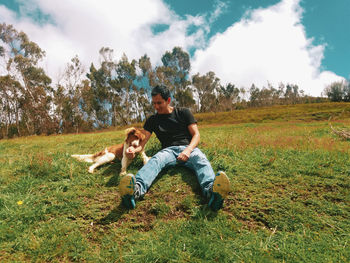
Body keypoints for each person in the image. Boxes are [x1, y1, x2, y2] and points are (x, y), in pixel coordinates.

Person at [118, 84, 230, 211]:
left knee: (201, 160)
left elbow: (196, 135)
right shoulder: (152, 120)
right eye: (154, 103)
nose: (156, 106)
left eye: (159, 103)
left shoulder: (183, 112)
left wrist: (188, 150)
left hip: (189, 148)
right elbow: (142, 144)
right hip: (168, 151)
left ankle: (212, 193)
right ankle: (134, 191)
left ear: (168, 100)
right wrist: (133, 150)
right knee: (156, 160)